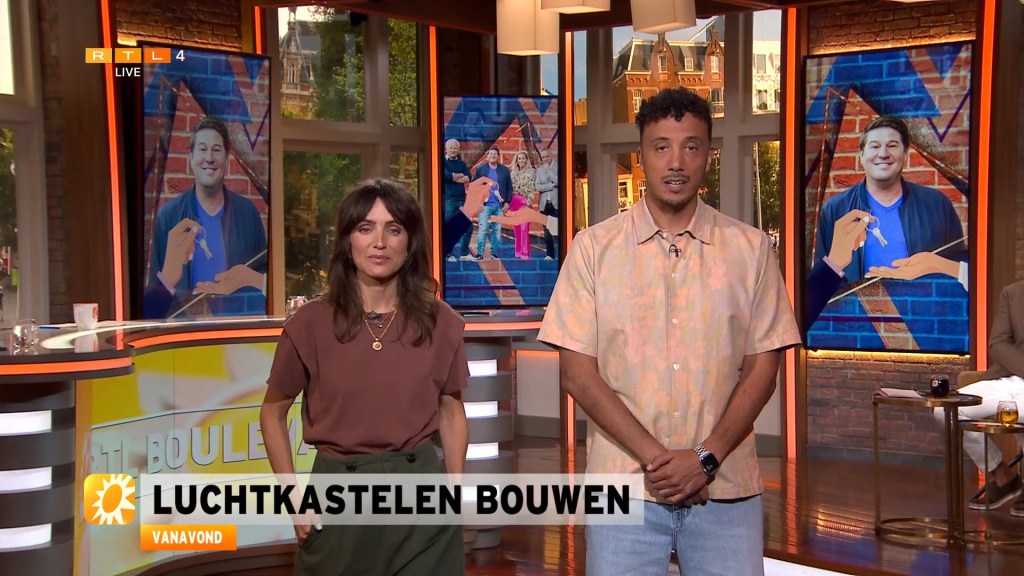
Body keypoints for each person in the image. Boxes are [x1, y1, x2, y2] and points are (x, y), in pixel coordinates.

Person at [537, 87, 801, 576]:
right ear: (642, 156)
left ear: (708, 156)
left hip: (726, 490)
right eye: (661, 147)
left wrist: (704, 459)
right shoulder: (593, 249)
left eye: (690, 146)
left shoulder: (750, 250)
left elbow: (764, 370)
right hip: (623, 487)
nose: (676, 162)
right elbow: (577, 374)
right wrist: (660, 462)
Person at [260, 178, 469, 575]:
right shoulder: (309, 324)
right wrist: (293, 498)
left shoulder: (441, 322)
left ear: (410, 243)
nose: (379, 243)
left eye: (394, 229)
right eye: (365, 228)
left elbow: (451, 410)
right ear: (347, 241)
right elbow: (272, 413)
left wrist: (455, 489)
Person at [813, 116, 966, 286]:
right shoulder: (835, 210)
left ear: (905, 154)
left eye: (892, 145)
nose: (883, 154)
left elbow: (960, 276)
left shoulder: (937, 204)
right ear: (861, 156)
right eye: (875, 146)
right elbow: (820, 288)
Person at [143, 116, 267, 319]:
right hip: (183, 333)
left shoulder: (248, 213)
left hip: (236, 331)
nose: (209, 157)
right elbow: (153, 307)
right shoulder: (168, 216)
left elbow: (267, 286)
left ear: (226, 159)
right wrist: (168, 278)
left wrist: (250, 279)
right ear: (191, 158)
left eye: (216, 149)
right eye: (202, 149)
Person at [935, 279, 1024, 516]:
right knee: (946, 410)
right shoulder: (1012, 293)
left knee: (1021, 412)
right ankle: (1002, 475)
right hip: (1007, 378)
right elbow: (998, 344)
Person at [471, 148, 512, 261]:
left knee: (496, 231)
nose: (493, 156)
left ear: (498, 156)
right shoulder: (481, 169)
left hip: (499, 206)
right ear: (487, 156)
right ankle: (479, 253)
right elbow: (474, 186)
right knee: (483, 230)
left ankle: (494, 253)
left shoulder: (504, 170)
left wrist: (507, 202)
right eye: (491, 154)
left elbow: (509, 187)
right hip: (485, 205)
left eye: (495, 154)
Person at [442, 138, 472, 262]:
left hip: (462, 200)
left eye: (455, 148)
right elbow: (445, 176)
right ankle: (449, 254)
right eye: (451, 148)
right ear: (446, 149)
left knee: (468, 227)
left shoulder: (461, 163)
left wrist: (453, 177)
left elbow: (468, 177)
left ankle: (464, 253)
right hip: (449, 199)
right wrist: (457, 176)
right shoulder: (442, 162)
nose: (453, 150)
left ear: (458, 149)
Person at [508, 150, 536, 260]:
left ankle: (525, 253)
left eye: (523, 158)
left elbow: (532, 189)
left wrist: (529, 203)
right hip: (514, 202)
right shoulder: (512, 174)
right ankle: (518, 251)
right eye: (519, 158)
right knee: (517, 229)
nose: (521, 160)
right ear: (517, 160)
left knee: (524, 228)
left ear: (526, 160)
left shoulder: (532, 173)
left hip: (525, 202)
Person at [534, 149, 559, 261]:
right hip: (544, 204)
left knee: (557, 229)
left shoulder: (558, 167)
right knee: (547, 231)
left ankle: (562, 254)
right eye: (543, 157)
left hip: (556, 204)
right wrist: (551, 185)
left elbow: (559, 182)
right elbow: (538, 187)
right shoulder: (539, 170)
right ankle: (550, 255)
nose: (545, 159)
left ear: (551, 156)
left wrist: (549, 172)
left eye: (546, 157)